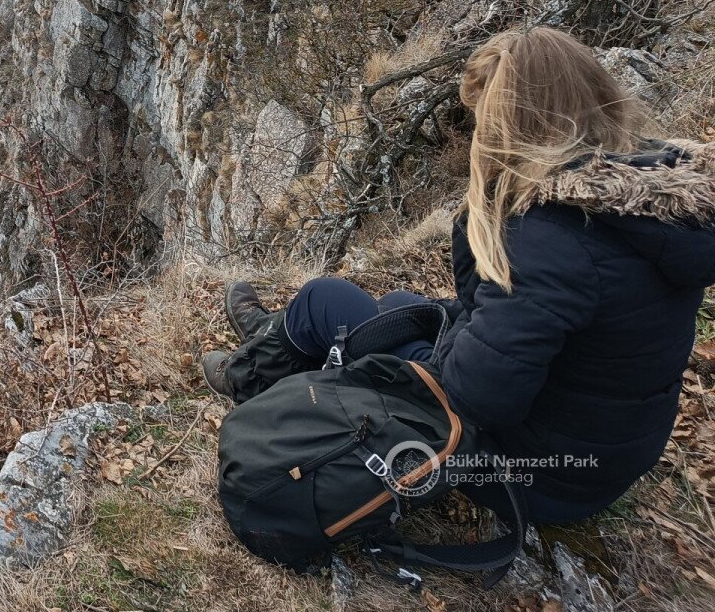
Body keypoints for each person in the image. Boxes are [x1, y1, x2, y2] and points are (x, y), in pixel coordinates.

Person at [202, 26, 715, 524]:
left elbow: (477, 398)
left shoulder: (551, 237)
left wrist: (442, 333)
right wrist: (442, 319)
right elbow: (540, 327)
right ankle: (276, 342)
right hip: (594, 464)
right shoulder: (648, 205)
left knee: (325, 299)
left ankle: (249, 374)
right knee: (400, 308)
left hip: (534, 477)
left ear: (511, 126)